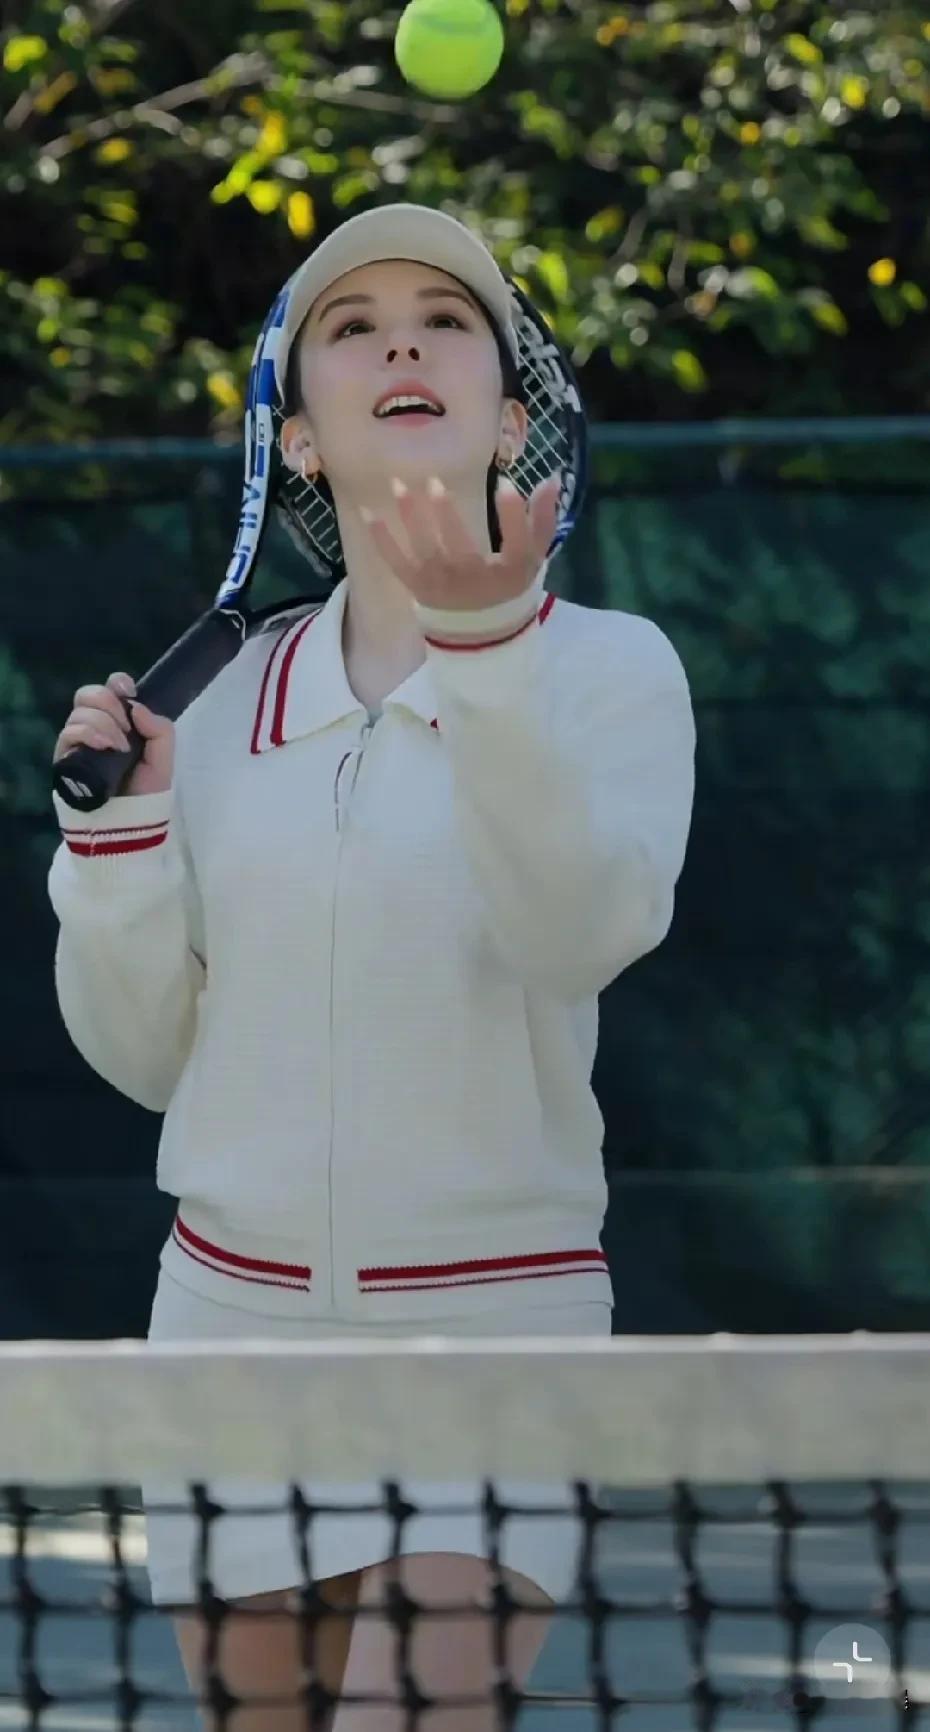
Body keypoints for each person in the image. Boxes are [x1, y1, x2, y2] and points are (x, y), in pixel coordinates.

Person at [48, 203, 697, 1730]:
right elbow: (145, 1059)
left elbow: (576, 935)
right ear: (301, 442)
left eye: (444, 320)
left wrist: (488, 662)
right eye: (352, 327)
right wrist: (115, 851)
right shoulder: (208, 712)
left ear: (512, 422)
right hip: (227, 1334)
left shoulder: (612, 670)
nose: (401, 342)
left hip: (496, 1336)